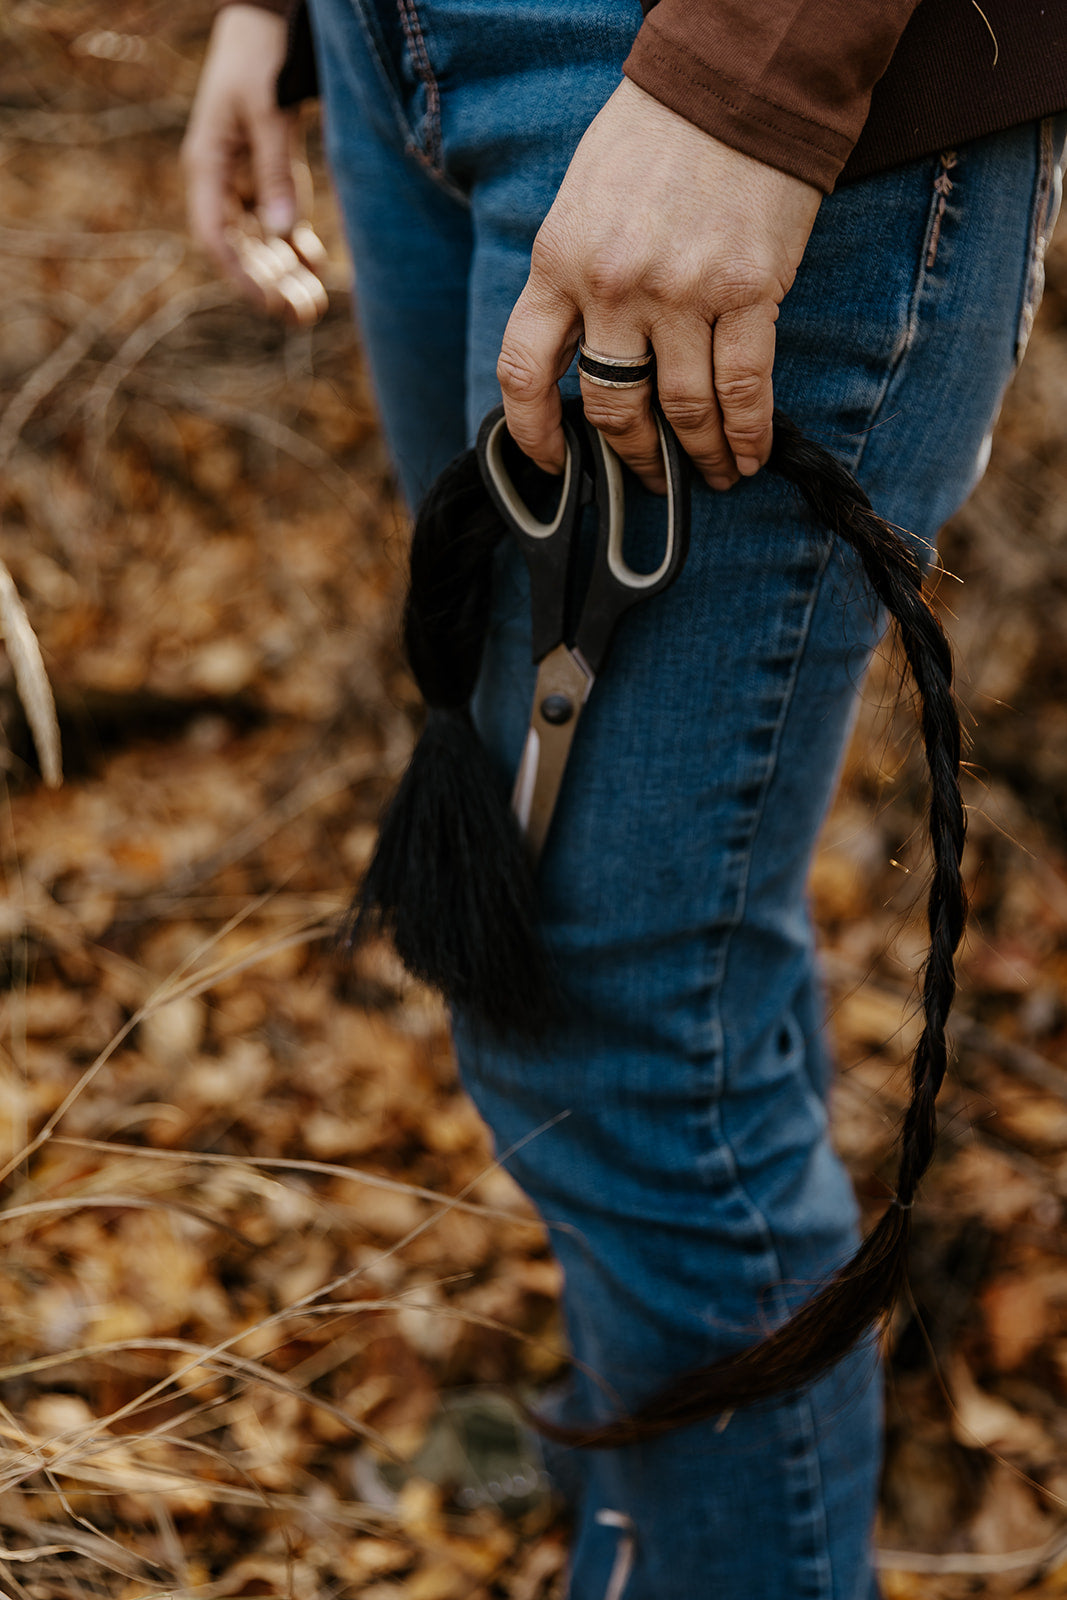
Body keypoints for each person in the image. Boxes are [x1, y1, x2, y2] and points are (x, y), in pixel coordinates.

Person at [183, 4, 1066, 1595]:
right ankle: (650, 1521)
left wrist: (754, 73)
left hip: (700, 83)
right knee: (644, 986)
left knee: (622, 1040)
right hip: (402, 55)